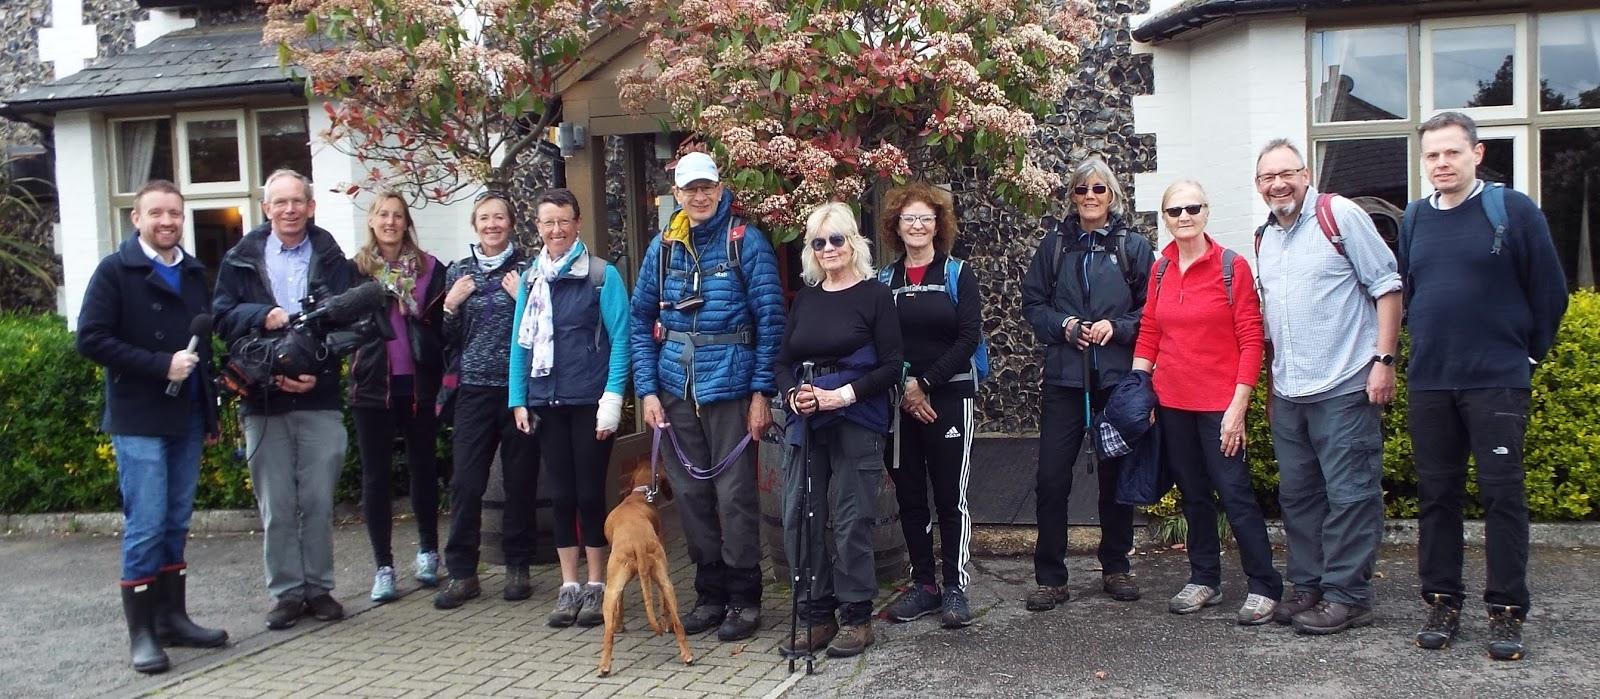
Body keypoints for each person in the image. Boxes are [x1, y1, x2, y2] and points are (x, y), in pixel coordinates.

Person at [1402, 112, 1569, 660]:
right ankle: (1443, 600)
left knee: (1502, 496)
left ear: (1476, 154)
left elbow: (1550, 291)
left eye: (1452, 152)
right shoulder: (1415, 218)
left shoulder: (1512, 210)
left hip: (1495, 381)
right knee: (1438, 496)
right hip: (1431, 381)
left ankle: (1505, 610)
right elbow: (1413, 290)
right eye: (1432, 155)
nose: (1442, 163)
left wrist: (1525, 353)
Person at [628, 151, 786, 642]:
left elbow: (771, 323)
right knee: (692, 496)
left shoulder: (747, 242)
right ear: (676, 194)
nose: (699, 196)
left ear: (720, 190)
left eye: (706, 188)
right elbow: (638, 322)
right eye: (689, 189)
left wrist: (762, 393)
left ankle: (744, 597)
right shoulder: (662, 248)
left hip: (731, 386)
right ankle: (709, 594)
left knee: (734, 496)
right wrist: (647, 392)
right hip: (675, 388)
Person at [77, 180, 228, 673]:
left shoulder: (191, 271)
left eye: (175, 214)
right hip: (140, 415)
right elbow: (91, 340)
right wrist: (158, 364)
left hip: (184, 415)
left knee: (175, 520)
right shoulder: (114, 271)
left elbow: (200, 349)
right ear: (136, 219)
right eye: (157, 213)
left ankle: (172, 619)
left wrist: (208, 413)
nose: (167, 221)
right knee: (145, 525)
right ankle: (141, 633)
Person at [1253, 139, 1401, 635]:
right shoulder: (1264, 238)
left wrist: (1384, 361)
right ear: (1258, 186)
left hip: (1344, 386)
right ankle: (1309, 587)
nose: (1278, 184)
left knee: (1351, 494)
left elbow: (1386, 286)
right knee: (1298, 497)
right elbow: (1274, 322)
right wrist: (1273, 390)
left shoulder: (1338, 215)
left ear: (1306, 173)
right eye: (1267, 177)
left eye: (1286, 173)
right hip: (1291, 392)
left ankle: (1348, 596)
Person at [1130, 180, 1282, 624]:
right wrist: (1140, 389)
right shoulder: (1160, 270)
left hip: (1220, 405)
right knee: (1194, 495)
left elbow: (1252, 341)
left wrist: (1238, 408)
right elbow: (1151, 332)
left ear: (1206, 212)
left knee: (1235, 494)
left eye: (1192, 207)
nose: (1184, 217)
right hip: (1173, 402)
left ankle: (1263, 585)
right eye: (1174, 211)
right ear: (1165, 219)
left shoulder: (1231, 267)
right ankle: (1205, 579)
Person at [214, 169, 356, 630]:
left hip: (320, 397)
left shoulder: (333, 257)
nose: (290, 210)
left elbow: (354, 325)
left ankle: (319, 588)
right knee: (276, 504)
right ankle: (286, 594)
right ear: (266, 208)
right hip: (263, 400)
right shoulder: (239, 259)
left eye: (298, 201)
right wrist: (262, 314)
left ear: (311, 207)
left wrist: (319, 369)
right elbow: (220, 318)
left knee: (316, 499)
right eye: (280, 202)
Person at [1020, 157, 1155, 611]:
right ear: (1072, 196)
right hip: (1064, 380)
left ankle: (1116, 566)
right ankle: (1050, 577)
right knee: (1051, 478)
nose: (1091, 196)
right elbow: (1033, 304)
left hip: (1115, 381)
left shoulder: (1132, 247)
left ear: (1112, 195)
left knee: (1115, 477)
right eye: (1082, 190)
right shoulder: (1054, 246)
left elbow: (1150, 313)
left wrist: (1117, 328)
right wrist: (1065, 326)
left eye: (1099, 189)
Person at [775, 202, 904, 658]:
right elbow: (783, 361)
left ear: (853, 243)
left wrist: (841, 395)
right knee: (800, 516)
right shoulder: (807, 297)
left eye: (836, 239)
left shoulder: (875, 296)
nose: (828, 248)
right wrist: (793, 394)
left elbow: (891, 367)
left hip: (856, 417)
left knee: (850, 520)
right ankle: (816, 615)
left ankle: (856, 618)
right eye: (818, 242)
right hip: (807, 419)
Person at [508, 188, 630, 628]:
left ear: (577, 223)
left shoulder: (601, 275)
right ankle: (569, 586)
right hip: (547, 402)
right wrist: (517, 399)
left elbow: (622, 341)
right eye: (547, 222)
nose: (556, 230)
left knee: (589, 494)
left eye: (563, 221)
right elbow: (520, 346)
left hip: (590, 403)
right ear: (537, 227)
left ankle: (597, 585)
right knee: (560, 496)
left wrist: (612, 401)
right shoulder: (530, 279)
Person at [875, 183, 982, 629]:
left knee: (948, 495)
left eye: (925, 219)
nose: (917, 226)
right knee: (910, 494)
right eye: (908, 219)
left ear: (938, 226)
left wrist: (926, 383)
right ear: (896, 227)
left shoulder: (958, 273)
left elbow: (968, 337)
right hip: (901, 402)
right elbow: (881, 342)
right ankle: (925, 585)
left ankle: (955, 585)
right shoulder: (884, 281)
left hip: (950, 397)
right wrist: (906, 387)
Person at [435, 191, 542, 609]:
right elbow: (445, 342)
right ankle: (463, 573)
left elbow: (544, 331)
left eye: (499, 217)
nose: (492, 224)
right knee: (466, 481)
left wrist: (524, 300)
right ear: (474, 225)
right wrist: (449, 305)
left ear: (511, 223)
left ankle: (518, 565)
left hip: (519, 390)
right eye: (484, 218)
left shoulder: (529, 269)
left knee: (519, 480)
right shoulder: (459, 273)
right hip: (474, 390)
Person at [348, 192, 447, 603]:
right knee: (376, 478)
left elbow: (444, 323)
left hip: (419, 383)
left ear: (407, 223)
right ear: (372, 221)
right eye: (382, 215)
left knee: (423, 471)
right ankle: (383, 566)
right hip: (373, 385)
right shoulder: (354, 271)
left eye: (397, 216)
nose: (390, 222)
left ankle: (428, 551)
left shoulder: (429, 268)